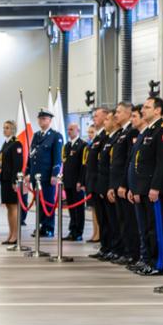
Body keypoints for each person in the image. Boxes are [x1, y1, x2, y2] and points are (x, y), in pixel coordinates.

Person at [131, 97, 163, 275]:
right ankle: (149, 261)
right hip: (144, 187)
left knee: (157, 228)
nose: (143, 110)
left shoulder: (162, 131)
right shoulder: (150, 131)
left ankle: (159, 265)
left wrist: (156, 187)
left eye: (147, 107)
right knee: (148, 227)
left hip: (153, 189)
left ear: (158, 110)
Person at [108, 103, 140, 265]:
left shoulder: (132, 132)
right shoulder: (122, 132)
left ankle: (131, 252)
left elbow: (128, 161)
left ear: (128, 113)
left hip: (124, 183)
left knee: (129, 221)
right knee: (121, 220)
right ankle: (124, 250)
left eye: (119, 112)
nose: (115, 115)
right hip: (117, 183)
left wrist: (123, 184)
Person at [28, 109, 64, 237]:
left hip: (48, 176)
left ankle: (49, 227)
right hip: (36, 175)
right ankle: (40, 226)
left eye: (44, 118)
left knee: (48, 202)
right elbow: (31, 155)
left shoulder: (55, 136)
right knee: (39, 203)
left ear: (50, 120)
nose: (41, 120)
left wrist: (55, 174)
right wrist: (28, 172)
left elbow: (57, 157)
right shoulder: (36, 135)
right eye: (40, 118)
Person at [84, 109, 114, 252]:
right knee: (102, 218)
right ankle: (105, 247)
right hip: (95, 183)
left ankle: (109, 247)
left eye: (97, 115)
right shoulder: (99, 136)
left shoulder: (107, 136)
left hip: (102, 183)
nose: (94, 118)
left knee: (108, 219)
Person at [0, 120, 25, 245]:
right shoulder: (6, 143)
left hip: (11, 180)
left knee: (13, 207)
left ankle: (15, 235)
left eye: (7, 127)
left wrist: (15, 181)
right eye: (3, 127)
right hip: (5, 179)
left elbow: (17, 164)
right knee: (8, 207)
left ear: (13, 130)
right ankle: (10, 234)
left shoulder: (16, 144)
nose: (4, 129)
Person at [62, 121, 88, 241]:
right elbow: (65, 164)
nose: (69, 131)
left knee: (79, 208)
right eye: (68, 129)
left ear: (78, 130)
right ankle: (72, 230)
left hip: (77, 182)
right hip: (68, 181)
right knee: (71, 208)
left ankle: (78, 232)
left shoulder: (82, 145)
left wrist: (81, 181)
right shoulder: (67, 146)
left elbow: (84, 165)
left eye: (71, 129)